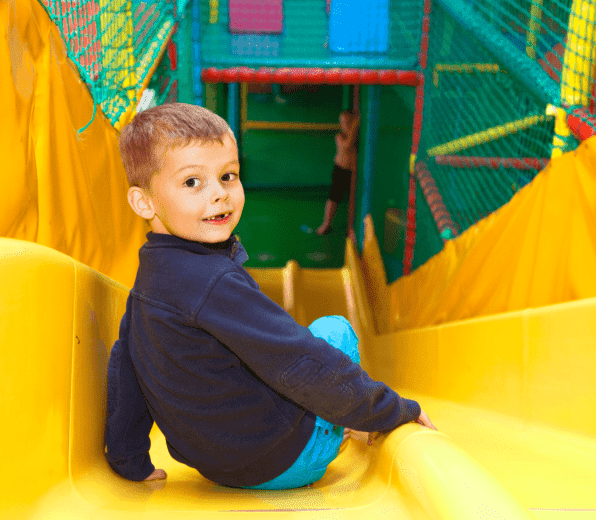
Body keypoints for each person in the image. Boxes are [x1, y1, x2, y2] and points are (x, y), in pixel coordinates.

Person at [105, 103, 436, 489]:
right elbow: (300, 360)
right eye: (192, 182)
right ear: (144, 202)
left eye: (228, 176)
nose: (220, 195)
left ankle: (334, 422)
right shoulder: (213, 282)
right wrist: (393, 412)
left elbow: (125, 366)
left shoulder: (149, 279)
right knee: (334, 331)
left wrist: (128, 457)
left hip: (219, 469)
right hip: (285, 462)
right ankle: (341, 430)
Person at [316, 110, 360, 235]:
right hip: (340, 170)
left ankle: (352, 227)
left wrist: (356, 126)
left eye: (348, 122)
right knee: (334, 197)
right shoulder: (340, 136)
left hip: (353, 173)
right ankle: (326, 224)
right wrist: (355, 126)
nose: (345, 125)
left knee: (353, 198)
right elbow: (347, 146)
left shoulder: (358, 137)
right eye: (342, 122)